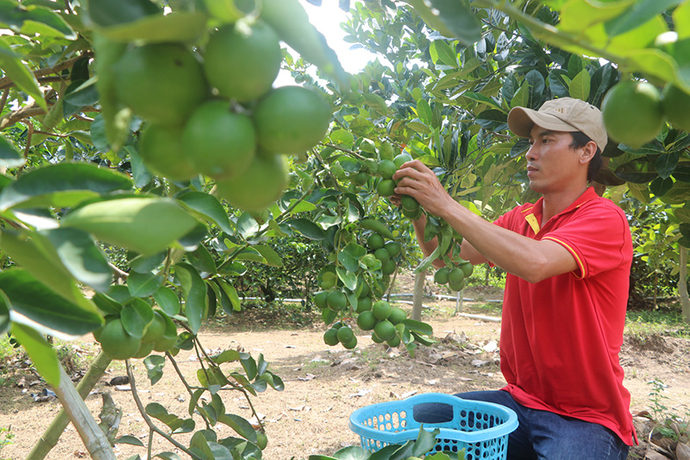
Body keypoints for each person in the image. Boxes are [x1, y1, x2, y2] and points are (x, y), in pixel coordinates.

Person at [392, 97, 636, 459]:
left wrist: (443, 202)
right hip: (520, 403)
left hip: (585, 418)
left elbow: (535, 263)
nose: (531, 153)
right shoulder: (521, 219)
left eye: (547, 141)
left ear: (586, 151)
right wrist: (418, 207)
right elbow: (446, 256)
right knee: (422, 421)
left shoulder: (604, 218)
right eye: (531, 141)